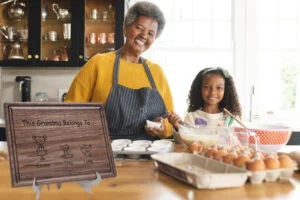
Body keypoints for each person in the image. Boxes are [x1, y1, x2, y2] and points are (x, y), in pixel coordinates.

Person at [65, 2, 174, 140]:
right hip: (105, 151)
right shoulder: (98, 63)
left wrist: (162, 127)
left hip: (149, 154)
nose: (144, 35)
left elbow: (171, 122)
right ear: (126, 28)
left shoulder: (156, 72)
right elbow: (70, 111)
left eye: (151, 33)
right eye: (139, 28)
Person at [168, 67, 242, 130]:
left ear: (226, 91)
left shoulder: (229, 118)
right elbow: (184, 144)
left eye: (219, 88)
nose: (213, 92)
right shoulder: (192, 117)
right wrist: (178, 127)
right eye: (206, 87)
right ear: (199, 89)